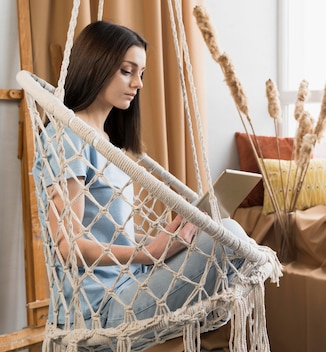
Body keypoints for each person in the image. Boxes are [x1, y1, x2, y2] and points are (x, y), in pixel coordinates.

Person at [33, 20, 247, 337]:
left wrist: (166, 239)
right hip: (98, 309)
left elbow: (111, 237)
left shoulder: (108, 144)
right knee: (229, 235)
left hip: (132, 283)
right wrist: (148, 253)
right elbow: (67, 247)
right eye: (127, 70)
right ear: (95, 66)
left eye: (141, 73)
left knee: (223, 234)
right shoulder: (67, 136)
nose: (139, 83)